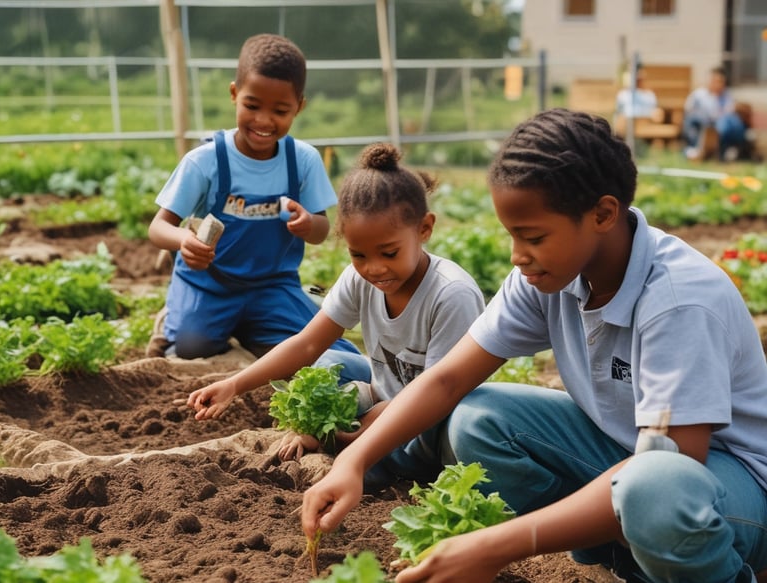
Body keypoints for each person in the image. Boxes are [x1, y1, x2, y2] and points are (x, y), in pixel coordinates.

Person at [301, 109, 767, 583]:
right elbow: (447, 378)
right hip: (629, 455)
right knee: (476, 419)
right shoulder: (547, 274)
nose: (516, 255)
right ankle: (624, 548)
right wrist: (354, 461)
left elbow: (673, 463)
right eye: (512, 235)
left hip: (725, 485)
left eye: (534, 237)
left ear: (603, 214)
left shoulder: (677, 301)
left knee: (653, 493)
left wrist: (494, 546)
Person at [187, 142, 485, 489]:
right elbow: (308, 344)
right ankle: (342, 444)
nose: (374, 268)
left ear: (424, 228)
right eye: (358, 254)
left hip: (429, 426)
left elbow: (430, 399)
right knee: (329, 360)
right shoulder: (360, 279)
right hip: (382, 397)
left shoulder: (451, 295)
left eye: (389, 252)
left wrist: (334, 437)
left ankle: (364, 460)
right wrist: (234, 385)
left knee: (354, 468)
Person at [146, 34, 364, 382]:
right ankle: (176, 319)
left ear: (299, 107)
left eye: (280, 111)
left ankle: (253, 330)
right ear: (234, 94)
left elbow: (322, 230)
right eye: (252, 105)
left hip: (272, 286)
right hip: (208, 283)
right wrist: (182, 242)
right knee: (190, 347)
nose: (264, 121)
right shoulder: (205, 161)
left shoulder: (302, 160)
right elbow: (159, 226)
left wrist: (308, 223)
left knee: (326, 351)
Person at [683, 66, 748, 161]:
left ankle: (728, 150)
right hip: (702, 124)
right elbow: (688, 110)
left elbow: (728, 112)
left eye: (720, 81)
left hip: (720, 125)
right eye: (715, 80)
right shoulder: (699, 94)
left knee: (732, 121)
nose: (717, 84)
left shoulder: (726, 96)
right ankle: (695, 149)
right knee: (694, 118)